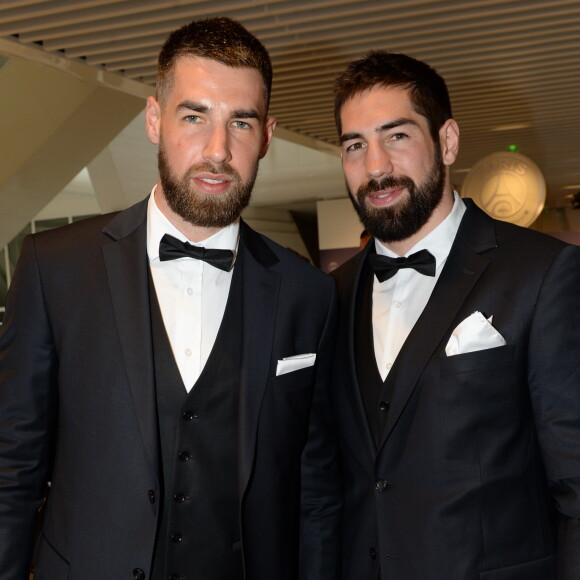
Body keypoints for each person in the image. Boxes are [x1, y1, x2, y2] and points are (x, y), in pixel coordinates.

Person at [0, 17, 341, 580]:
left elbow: (318, 491)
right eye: (194, 116)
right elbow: (12, 467)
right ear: (154, 120)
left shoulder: (309, 294)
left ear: (268, 135)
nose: (217, 150)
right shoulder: (54, 268)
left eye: (241, 123)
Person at [331, 50, 580, 579]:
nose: (375, 166)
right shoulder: (329, 294)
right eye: (356, 145)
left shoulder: (541, 273)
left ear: (446, 141)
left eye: (396, 136)